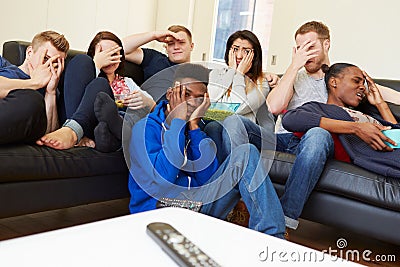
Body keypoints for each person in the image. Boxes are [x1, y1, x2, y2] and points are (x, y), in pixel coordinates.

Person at [128, 63, 285, 238]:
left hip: (195, 206)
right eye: (185, 95)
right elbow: (164, 179)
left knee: (246, 153)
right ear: (171, 93)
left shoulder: (195, 128)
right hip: (159, 211)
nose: (191, 103)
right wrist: (178, 122)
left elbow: (208, 179)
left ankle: (272, 237)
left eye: (199, 98)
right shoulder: (144, 129)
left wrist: (194, 127)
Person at [37, 31, 155, 151]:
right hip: (71, 119)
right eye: (103, 52)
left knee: (103, 127)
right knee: (98, 80)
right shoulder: (84, 72)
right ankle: (75, 131)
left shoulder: (127, 82)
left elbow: (154, 108)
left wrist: (146, 102)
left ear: (121, 58)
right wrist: (96, 65)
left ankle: (101, 136)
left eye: (114, 53)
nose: (109, 57)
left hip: (107, 127)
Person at [282, 63, 400, 177]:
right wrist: (356, 128)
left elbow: (397, 136)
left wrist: (381, 104)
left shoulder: (368, 111)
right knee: (317, 134)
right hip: (381, 159)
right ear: (334, 82)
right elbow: (290, 119)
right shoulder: (322, 109)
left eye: (363, 83)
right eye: (356, 81)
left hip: (394, 154)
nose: (363, 87)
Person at [0, 30, 69, 144]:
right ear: (29, 52)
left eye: (56, 63)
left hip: (11, 131)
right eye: (46, 59)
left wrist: (50, 92)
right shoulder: (3, 65)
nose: (50, 67)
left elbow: (48, 135)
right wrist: (34, 82)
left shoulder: (50, 92)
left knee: (33, 100)